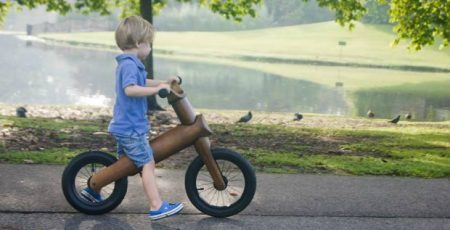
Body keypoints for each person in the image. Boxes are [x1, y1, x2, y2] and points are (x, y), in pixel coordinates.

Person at [80, 15, 183, 220]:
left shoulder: (131, 64)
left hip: (127, 126)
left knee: (123, 167)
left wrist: (164, 83)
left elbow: (143, 81)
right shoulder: (128, 64)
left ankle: (93, 189)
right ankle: (156, 206)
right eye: (149, 44)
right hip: (130, 128)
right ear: (138, 43)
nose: (150, 48)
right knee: (147, 163)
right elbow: (130, 89)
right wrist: (155, 91)